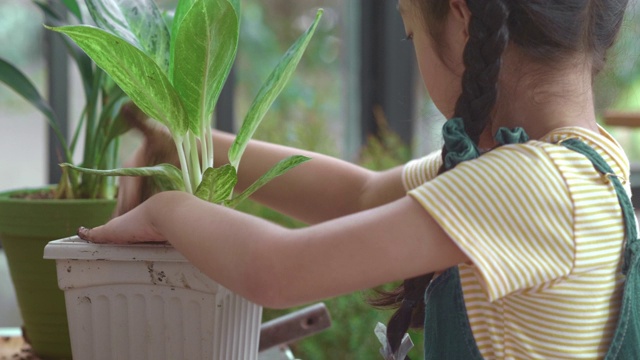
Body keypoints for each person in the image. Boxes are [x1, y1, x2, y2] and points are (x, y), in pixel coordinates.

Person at [78, 0, 639, 359]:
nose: (413, 50)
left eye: (409, 34)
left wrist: (166, 209)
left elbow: (277, 271)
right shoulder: (584, 163)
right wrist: (184, 143)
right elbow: (360, 194)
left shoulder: (528, 184)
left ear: (462, 19)